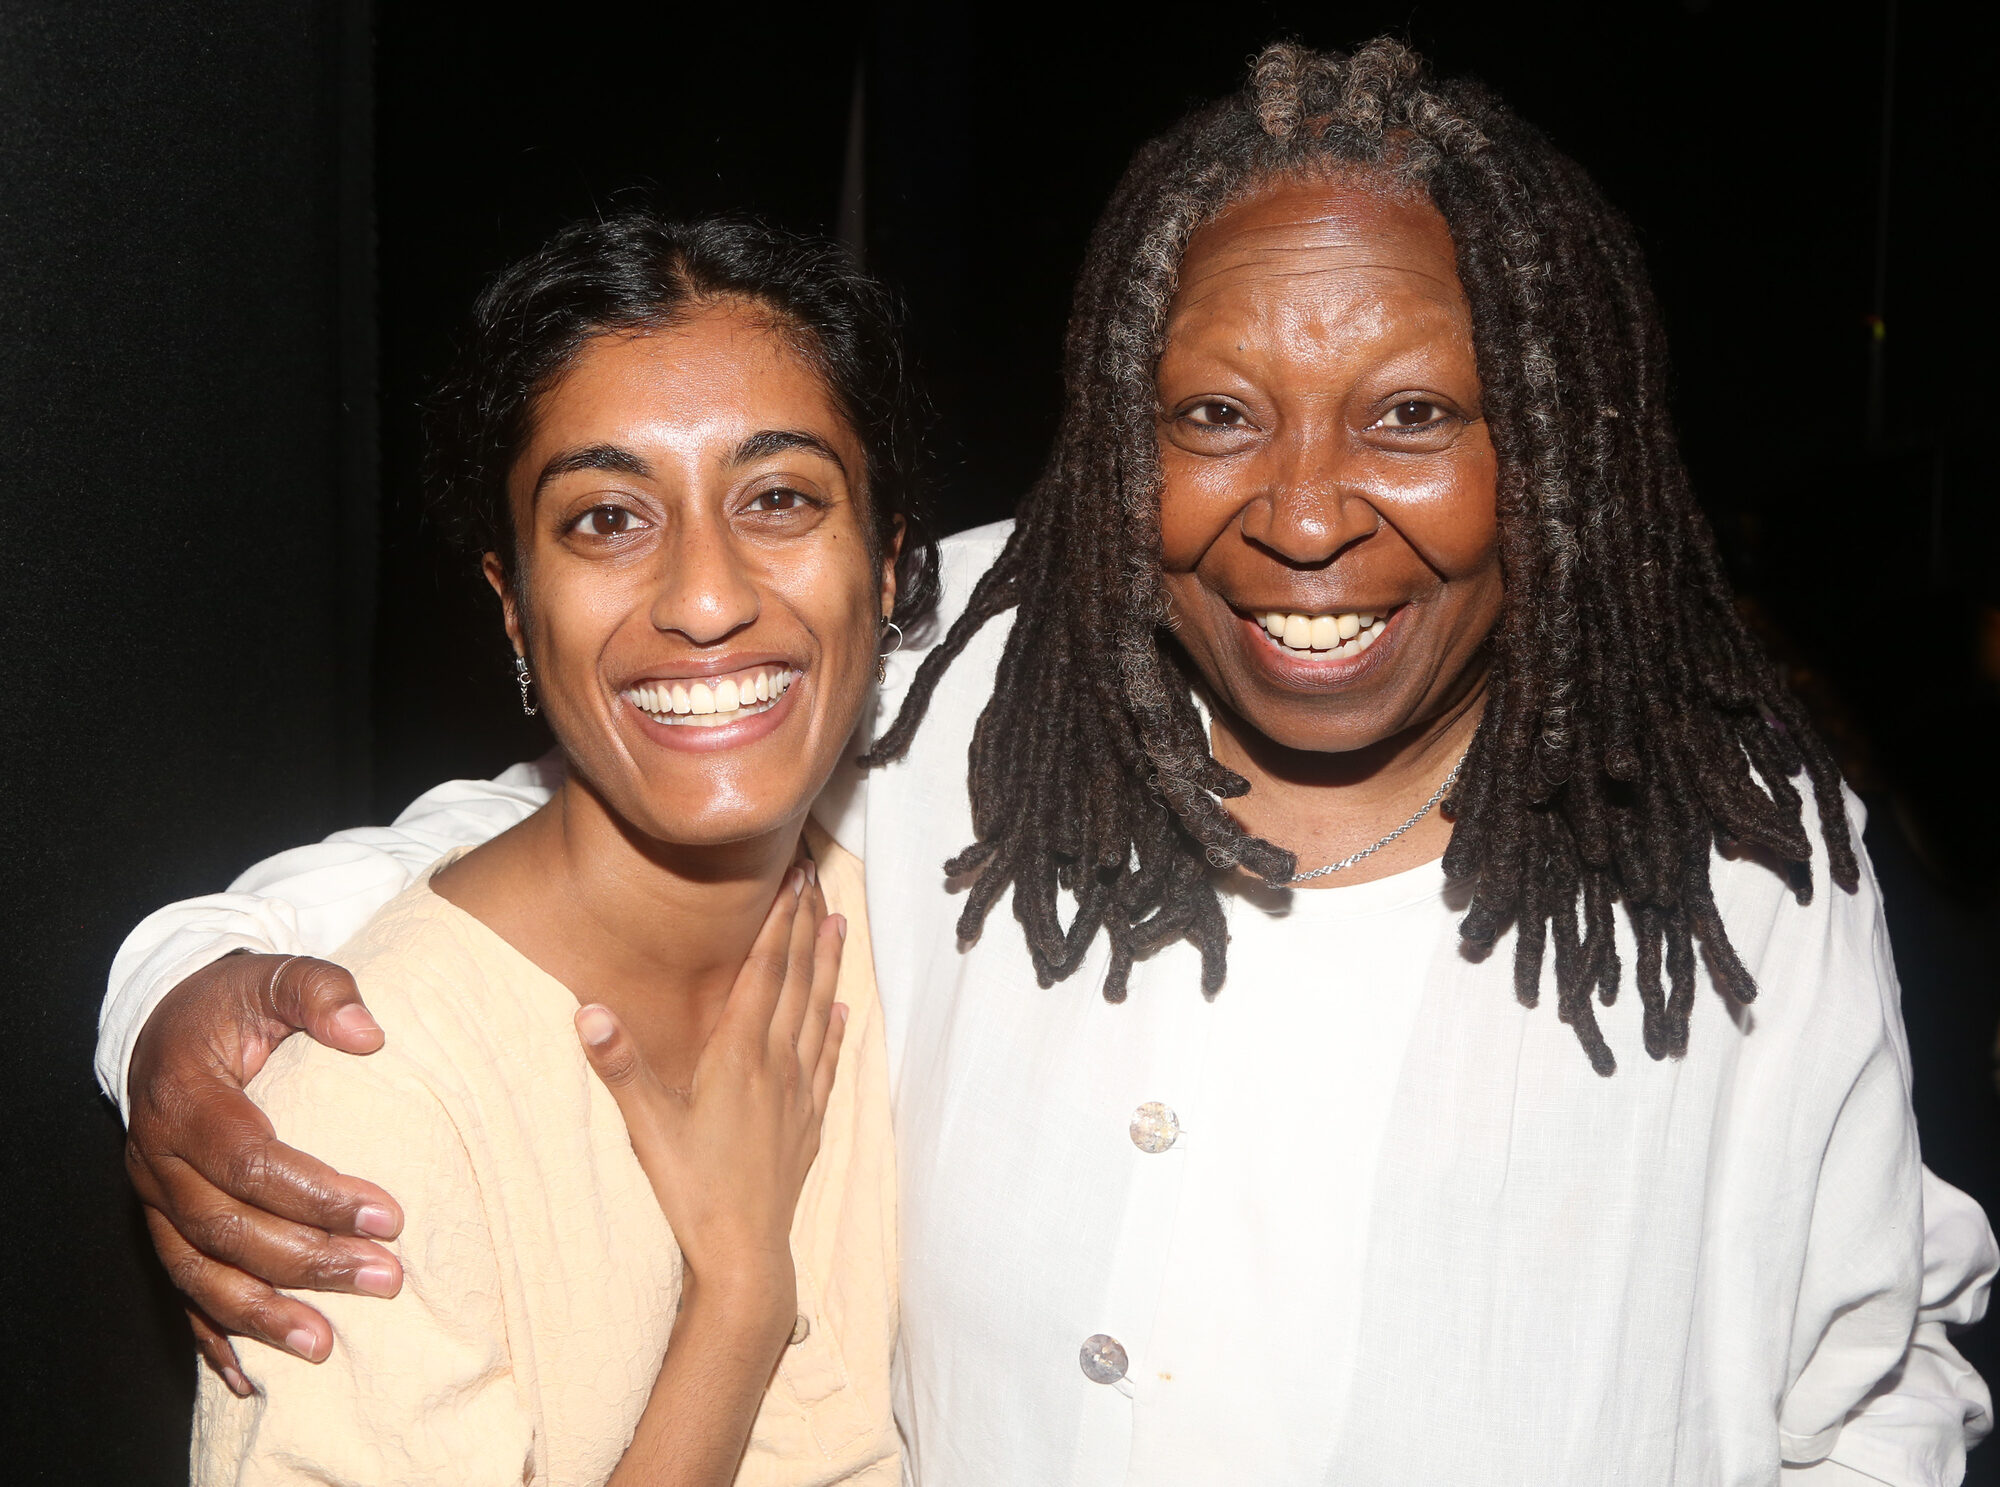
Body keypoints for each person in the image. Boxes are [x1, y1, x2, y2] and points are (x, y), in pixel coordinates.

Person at [105, 40, 1994, 1486]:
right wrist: (193, 985)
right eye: (1216, 414)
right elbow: (620, 772)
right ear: (1116, 431)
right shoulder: (983, 678)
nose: (1308, 515)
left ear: (1559, 448)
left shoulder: (1724, 859)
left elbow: (1877, 1358)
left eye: (1415, 413)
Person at [178, 213, 933, 1485]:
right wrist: (737, 1296)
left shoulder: (924, 935)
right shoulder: (380, 1097)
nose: (706, 596)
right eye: (604, 519)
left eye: (781, 497)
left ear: (890, 565)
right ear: (513, 609)